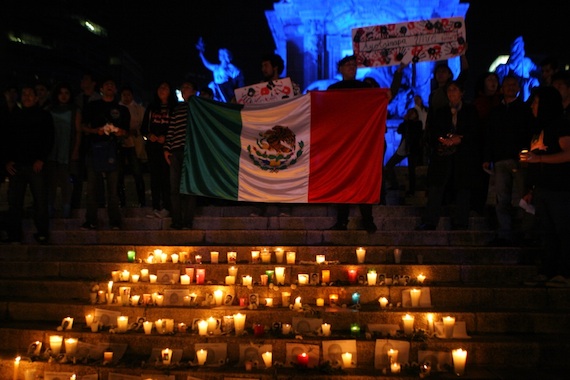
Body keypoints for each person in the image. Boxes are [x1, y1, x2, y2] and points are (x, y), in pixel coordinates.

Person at [520, 86, 570, 286]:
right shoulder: (539, 129)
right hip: (542, 188)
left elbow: (568, 154)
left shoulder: (561, 126)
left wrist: (539, 158)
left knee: (563, 231)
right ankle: (547, 271)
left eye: (536, 102)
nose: (532, 105)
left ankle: (565, 273)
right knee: (546, 232)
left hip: (560, 188)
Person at [416, 81, 479, 231]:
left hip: (463, 155)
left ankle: (461, 221)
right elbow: (434, 131)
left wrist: (460, 139)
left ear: (461, 92)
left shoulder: (470, 110)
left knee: (462, 189)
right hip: (443, 155)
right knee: (436, 188)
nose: (451, 93)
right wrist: (442, 140)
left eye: (455, 90)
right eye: (449, 90)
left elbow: (475, 132)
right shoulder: (441, 111)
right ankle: (430, 220)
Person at [327, 55, 377, 233]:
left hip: (362, 141)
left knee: (363, 179)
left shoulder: (365, 87)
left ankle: (368, 219)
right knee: (342, 181)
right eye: (347, 65)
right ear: (339, 68)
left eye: (354, 65)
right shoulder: (333, 89)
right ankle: (342, 221)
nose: (351, 67)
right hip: (342, 142)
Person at [483, 75, 533, 245]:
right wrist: (488, 157)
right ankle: (505, 232)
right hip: (500, 159)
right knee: (502, 199)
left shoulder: (525, 110)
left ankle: (527, 233)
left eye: (514, 85)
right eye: (507, 85)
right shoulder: (496, 111)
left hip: (519, 158)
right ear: (502, 89)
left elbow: (529, 134)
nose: (511, 87)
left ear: (519, 88)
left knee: (523, 198)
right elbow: (489, 135)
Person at [3, 85, 54, 244]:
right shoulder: (14, 116)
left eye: (30, 94)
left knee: (40, 201)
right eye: (24, 94)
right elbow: (6, 140)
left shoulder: (44, 116)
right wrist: (6, 161)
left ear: (36, 97)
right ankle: (14, 235)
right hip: (17, 165)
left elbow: (49, 139)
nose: (26, 97)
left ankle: (42, 232)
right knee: (14, 202)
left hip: (35, 165)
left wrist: (41, 159)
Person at [80, 76, 129, 230]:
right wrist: (96, 131)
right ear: (101, 89)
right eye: (106, 84)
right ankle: (91, 220)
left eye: (112, 84)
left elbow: (127, 132)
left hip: (113, 150)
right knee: (92, 188)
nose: (109, 86)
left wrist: (120, 132)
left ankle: (115, 221)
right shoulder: (92, 106)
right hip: (94, 148)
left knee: (113, 189)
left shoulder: (122, 109)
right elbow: (83, 126)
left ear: (115, 90)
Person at [163, 79, 198, 229]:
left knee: (190, 187)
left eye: (188, 87)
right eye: (183, 87)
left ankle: (188, 221)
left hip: (191, 151)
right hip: (176, 150)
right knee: (174, 188)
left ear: (194, 91)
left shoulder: (198, 108)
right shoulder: (177, 109)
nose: (184, 89)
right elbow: (172, 129)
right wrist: (167, 148)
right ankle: (176, 220)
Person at [142, 81, 178, 219]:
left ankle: (168, 207)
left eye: (166, 87)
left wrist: (167, 138)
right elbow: (144, 128)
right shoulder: (152, 108)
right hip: (153, 147)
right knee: (154, 177)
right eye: (160, 87)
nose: (162, 90)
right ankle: (155, 206)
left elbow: (177, 127)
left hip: (168, 148)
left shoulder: (174, 108)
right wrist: (150, 135)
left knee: (167, 177)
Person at [46, 82, 82, 218]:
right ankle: (50, 208)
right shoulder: (50, 109)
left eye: (66, 93)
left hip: (67, 149)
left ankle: (66, 209)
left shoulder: (74, 110)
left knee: (66, 181)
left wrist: (75, 150)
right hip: (51, 149)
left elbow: (78, 132)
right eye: (61, 93)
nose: (64, 96)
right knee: (51, 182)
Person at [471, 72, 502, 217]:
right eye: (489, 79)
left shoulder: (502, 102)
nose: (493, 82)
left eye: (495, 79)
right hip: (480, 146)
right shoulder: (477, 103)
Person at [73, 72, 102, 210]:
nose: (83, 81)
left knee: (96, 172)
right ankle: (75, 203)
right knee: (78, 172)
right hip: (80, 137)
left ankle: (99, 202)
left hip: (94, 139)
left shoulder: (98, 99)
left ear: (93, 83)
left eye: (86, 78)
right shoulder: (77, 99)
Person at [384, 107, 423, 195]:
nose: (410, 115)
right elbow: (399, 130)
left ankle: (412, 190)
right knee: (389, 165)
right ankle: (395, 184)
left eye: (412, 113)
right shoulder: (406, 124)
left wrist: (408, 122)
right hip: (404, 148)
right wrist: (405, 121)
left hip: (412, 149)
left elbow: (415, 132)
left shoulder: (418, 124)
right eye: (409, 113)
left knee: (411, 170)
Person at [118, 86, 146, 207]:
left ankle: (142, 200)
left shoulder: (139, 109)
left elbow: (143, 126)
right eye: (124, 94)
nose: (126, 97)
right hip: (120, 144)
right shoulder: (117, 108)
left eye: (128, 94)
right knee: (119, 174)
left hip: (134, 144)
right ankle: (121, 200)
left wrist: (134, 132)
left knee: (137, 172)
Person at [196, 37, 244, 102]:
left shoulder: (230, 67)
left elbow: (239, 76)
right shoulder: (216, 67)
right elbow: (207, 64)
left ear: (225, 55)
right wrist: (201, 53)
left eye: (221, 54)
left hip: (226, 89)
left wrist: (239, 90)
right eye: (219, 54)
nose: (219, 55)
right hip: (217, 89)